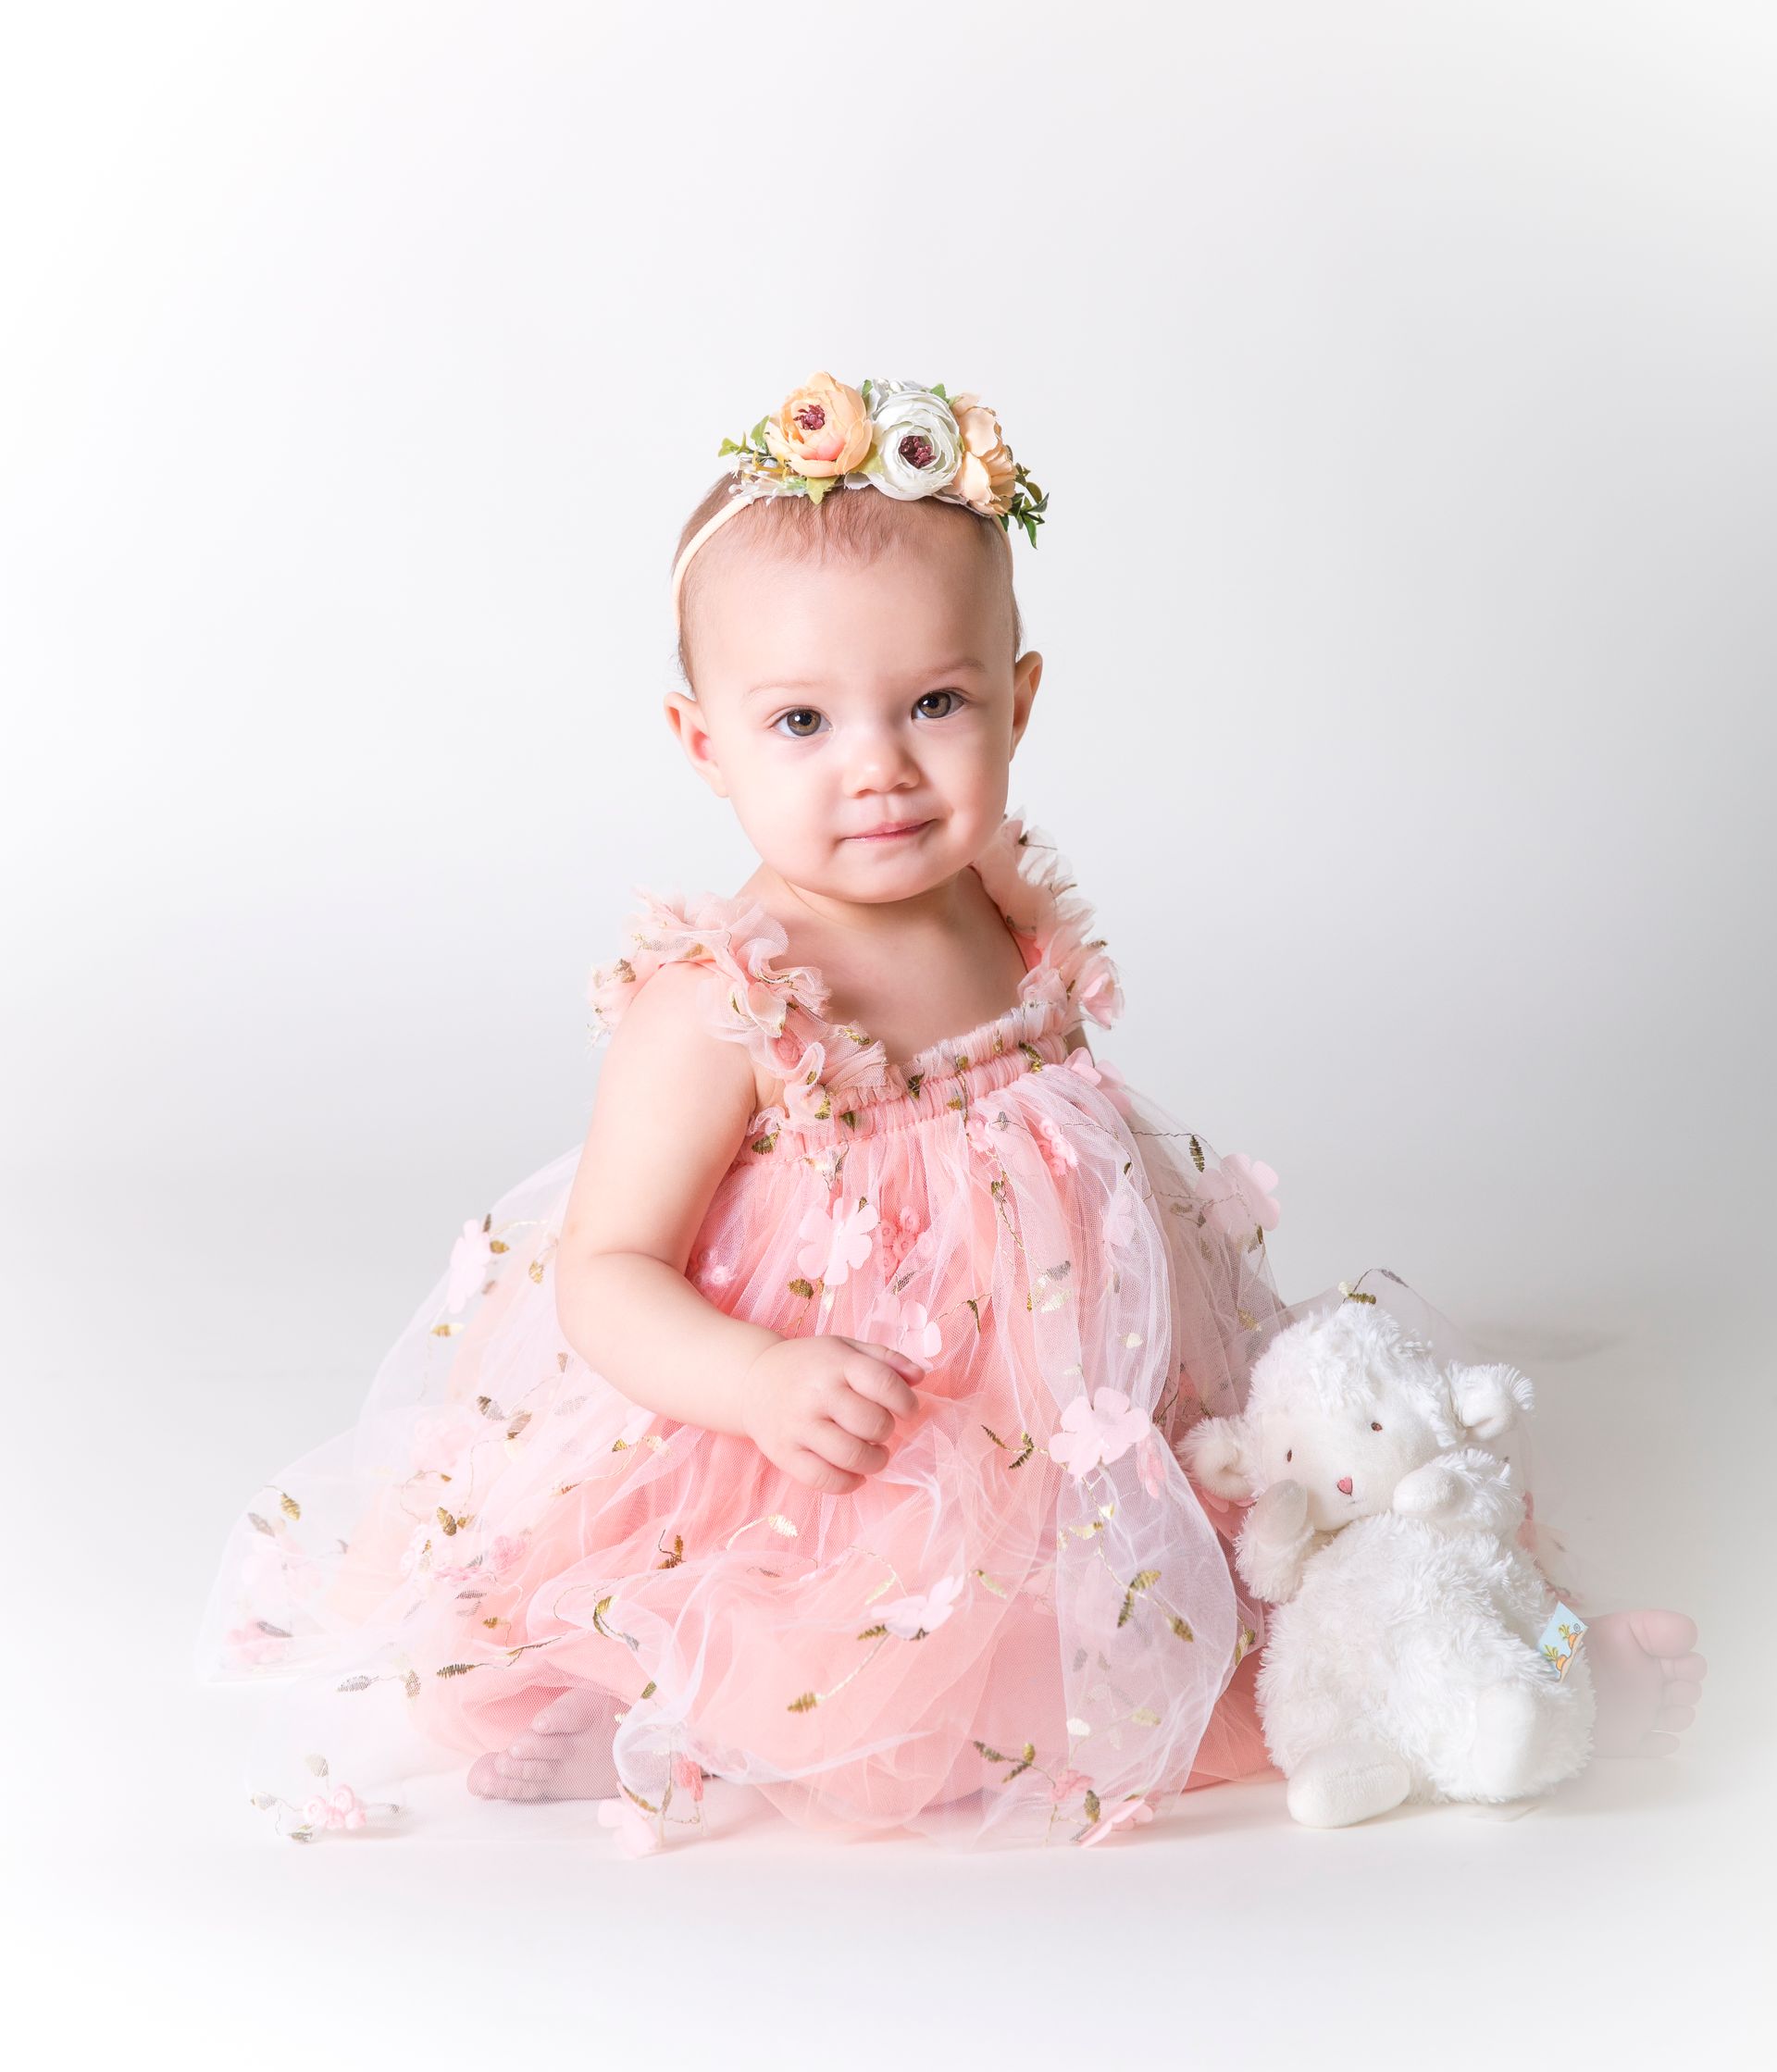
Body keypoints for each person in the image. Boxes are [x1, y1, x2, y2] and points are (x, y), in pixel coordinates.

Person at [194, 372, 1705, 1855]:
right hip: (846, 1449)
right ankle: (1436, 1706)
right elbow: (605, 1272)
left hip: (1078, 1402)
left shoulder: (996, 904)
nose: (881, 771)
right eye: (801, 722)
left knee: (1277, 1527)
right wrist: (759, 1383)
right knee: (976, 1669)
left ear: (1018, 700)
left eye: (934, 702)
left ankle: (1507, 1653)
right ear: (701, 740)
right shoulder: (719, 998)